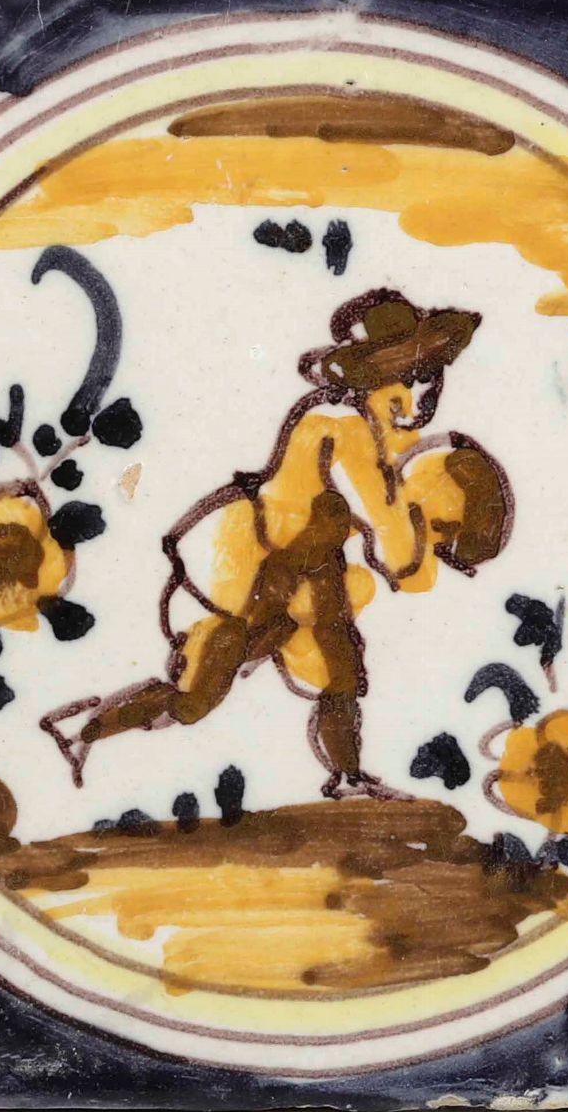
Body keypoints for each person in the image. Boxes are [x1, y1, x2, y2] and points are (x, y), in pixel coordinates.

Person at [44, 289, 512, 798]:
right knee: (199, 695)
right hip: (262, 560)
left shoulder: (363, 429)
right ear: (379, 376)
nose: (415, 399)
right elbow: (386, 528)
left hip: (309, 567)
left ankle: (347, 774)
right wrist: (419, 549)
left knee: (339, 671)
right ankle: (84, 730)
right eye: (410, 378)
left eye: (422, 381)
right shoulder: (343, 426)